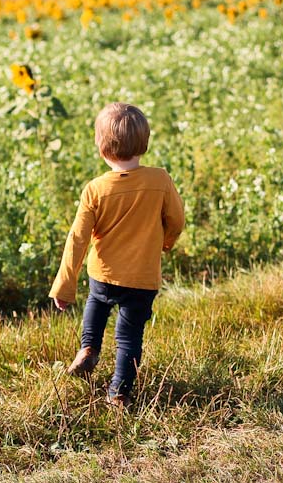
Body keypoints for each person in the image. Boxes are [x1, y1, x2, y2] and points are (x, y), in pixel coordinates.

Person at [49, 102, 185, 408]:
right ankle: (119, 393)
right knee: (128, 337)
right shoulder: (160, 181)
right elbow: (177, 219)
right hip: (142, 278)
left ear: (101, 146)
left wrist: (64, 286)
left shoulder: (95, 189)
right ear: (144, 142)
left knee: (96, 305)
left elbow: (77, 239)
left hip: (103, 274)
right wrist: (166, 241)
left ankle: (88, 348)